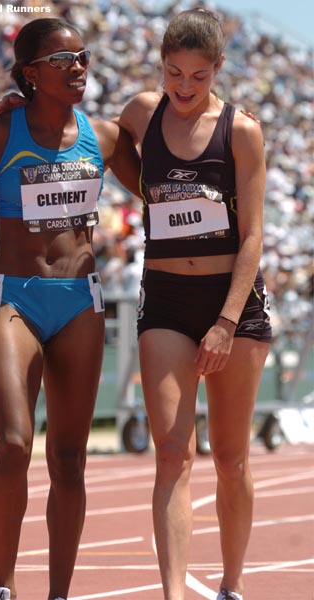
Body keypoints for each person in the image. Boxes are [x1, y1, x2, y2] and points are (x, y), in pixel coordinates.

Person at [0, 17, 140, 600]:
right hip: (16, 298)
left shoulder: (101, 136)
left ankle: (58, 594)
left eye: (85, 56)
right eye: (64, 59)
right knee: (15, 443)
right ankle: (3, 587)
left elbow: (159, 190)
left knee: (70, 459)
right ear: (30, 73)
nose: (79, 67)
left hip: (80, 301)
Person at [117, 8, 272, 600]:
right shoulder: (139, 112)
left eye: (198, 76)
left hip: (231, 303)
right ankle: (174, 595)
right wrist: (18, 102)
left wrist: (227, 323)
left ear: (219, 71)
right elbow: (87, 139)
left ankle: (231, 586)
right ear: (160, 64)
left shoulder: (241, 131)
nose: (183, 87)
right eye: (173, 72)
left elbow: (253, 235)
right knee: (173, 454)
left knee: (230, 459)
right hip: (165, 300)